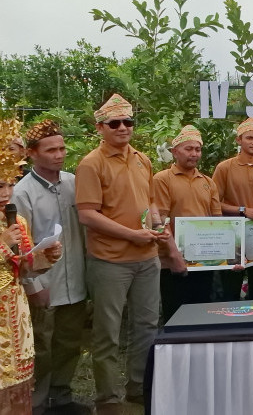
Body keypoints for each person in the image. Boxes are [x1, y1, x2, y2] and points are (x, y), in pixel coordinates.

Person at [75, 94, 168, 414]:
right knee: (107, 333)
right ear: (100, 127)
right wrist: (131, 234)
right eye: (114, 123)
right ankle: (108, 399)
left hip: (146, 258)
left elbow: (150, 201)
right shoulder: (91, 164)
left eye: (128, 122)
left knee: (146, 325)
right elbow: (87, 214)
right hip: (110, 260)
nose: (123, 127)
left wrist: (158, 227)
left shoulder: (142, 159)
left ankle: (139, 388)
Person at [13, 120, 90, 415]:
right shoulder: (23, 193)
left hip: (76, 279)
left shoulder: (73, 183)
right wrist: (34, 287)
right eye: (51, 150)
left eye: (62, 148)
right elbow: (21, 247)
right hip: (45, 283)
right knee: (42, 347)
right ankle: (38, 403)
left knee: (70, 341)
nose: (59, 155)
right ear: (32, 153)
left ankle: (62, 397)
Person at [0, 119, 62, 415]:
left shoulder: (15, 221)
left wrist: (45, 257)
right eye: (1, 184)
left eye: (12, 184)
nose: (7, 193)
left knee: (18, 378)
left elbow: (24, 267)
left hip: (15, 313)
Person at [153, 125, 222, 322]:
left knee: (203, 315)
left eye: (197, 149)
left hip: (203, 261)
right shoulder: (162, 180)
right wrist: (174, 257)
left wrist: (227, 257)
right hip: (172, 263)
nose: (194, 154)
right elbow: (160, 221)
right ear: (175, 152)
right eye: (188, 149)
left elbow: (217, 222)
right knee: (175, 316)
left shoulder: (208, 182)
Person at [212, 118, 253, 301]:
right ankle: (229, 328)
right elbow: (214, 204)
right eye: (249, 138)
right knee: (229, 289)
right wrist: (243, 210)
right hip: (231, 237)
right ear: (239, 140)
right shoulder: (224, 168)